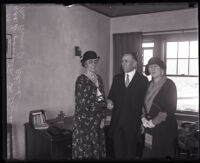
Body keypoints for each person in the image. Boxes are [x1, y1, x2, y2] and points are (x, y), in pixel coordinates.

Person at [107, 52, 149, 160]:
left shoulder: (143, 81)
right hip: (117, 124)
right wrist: (109, 102)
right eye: (122, 61)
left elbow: (144, 104)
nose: (123, 63)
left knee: (130, 155)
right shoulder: (117, 78)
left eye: (126, 61)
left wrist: (142, 123)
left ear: (134, 63)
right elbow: (111, 96)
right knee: (118, 155)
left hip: (133, 126)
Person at [72, 50, 110, 160]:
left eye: (95, 61)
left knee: (97, 149)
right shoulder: (81, 80)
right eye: (90, 62)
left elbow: (100, 97)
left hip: (97, 121)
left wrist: (103, 118)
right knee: (85, 150)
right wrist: (103, 105)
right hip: (84, 122)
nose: (93, 64)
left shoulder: (99, 79)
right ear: (85, 64)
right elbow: (83, 103)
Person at [141, 57, 178, 160]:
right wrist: (143, 118)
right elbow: (142, 104)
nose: (152, 69)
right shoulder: (148, 85)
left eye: (155, 66)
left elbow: (170, 108)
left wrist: (154, 122)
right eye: (150, 67)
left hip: (165, 128)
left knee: (163, 155)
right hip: (149, 127)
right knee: (148, 153)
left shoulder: (169, 85)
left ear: (162, 69)